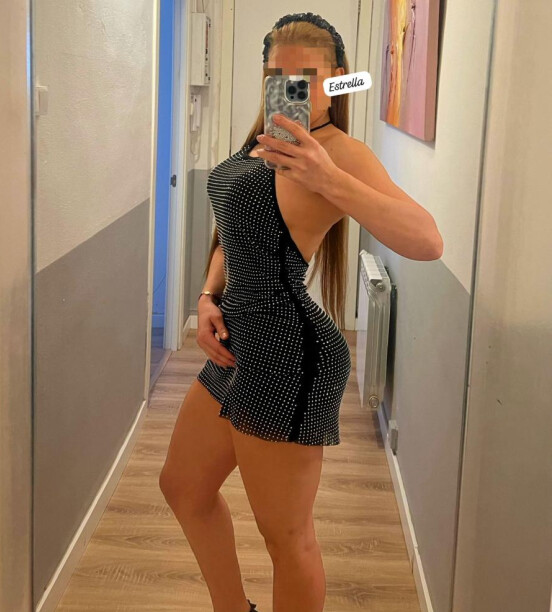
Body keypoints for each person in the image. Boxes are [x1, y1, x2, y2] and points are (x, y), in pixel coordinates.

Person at [159, 12, 443, 612]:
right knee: (182, 487)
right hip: (237, 344)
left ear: (336, 82)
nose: (291, 88)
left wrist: (329, 178)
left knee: (286, 538)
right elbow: (235, 232)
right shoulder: (262, 141)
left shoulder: (341, 154)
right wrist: (208, 297)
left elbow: (427, 240)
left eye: (308, 78)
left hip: (287, 357)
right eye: (277, 76)